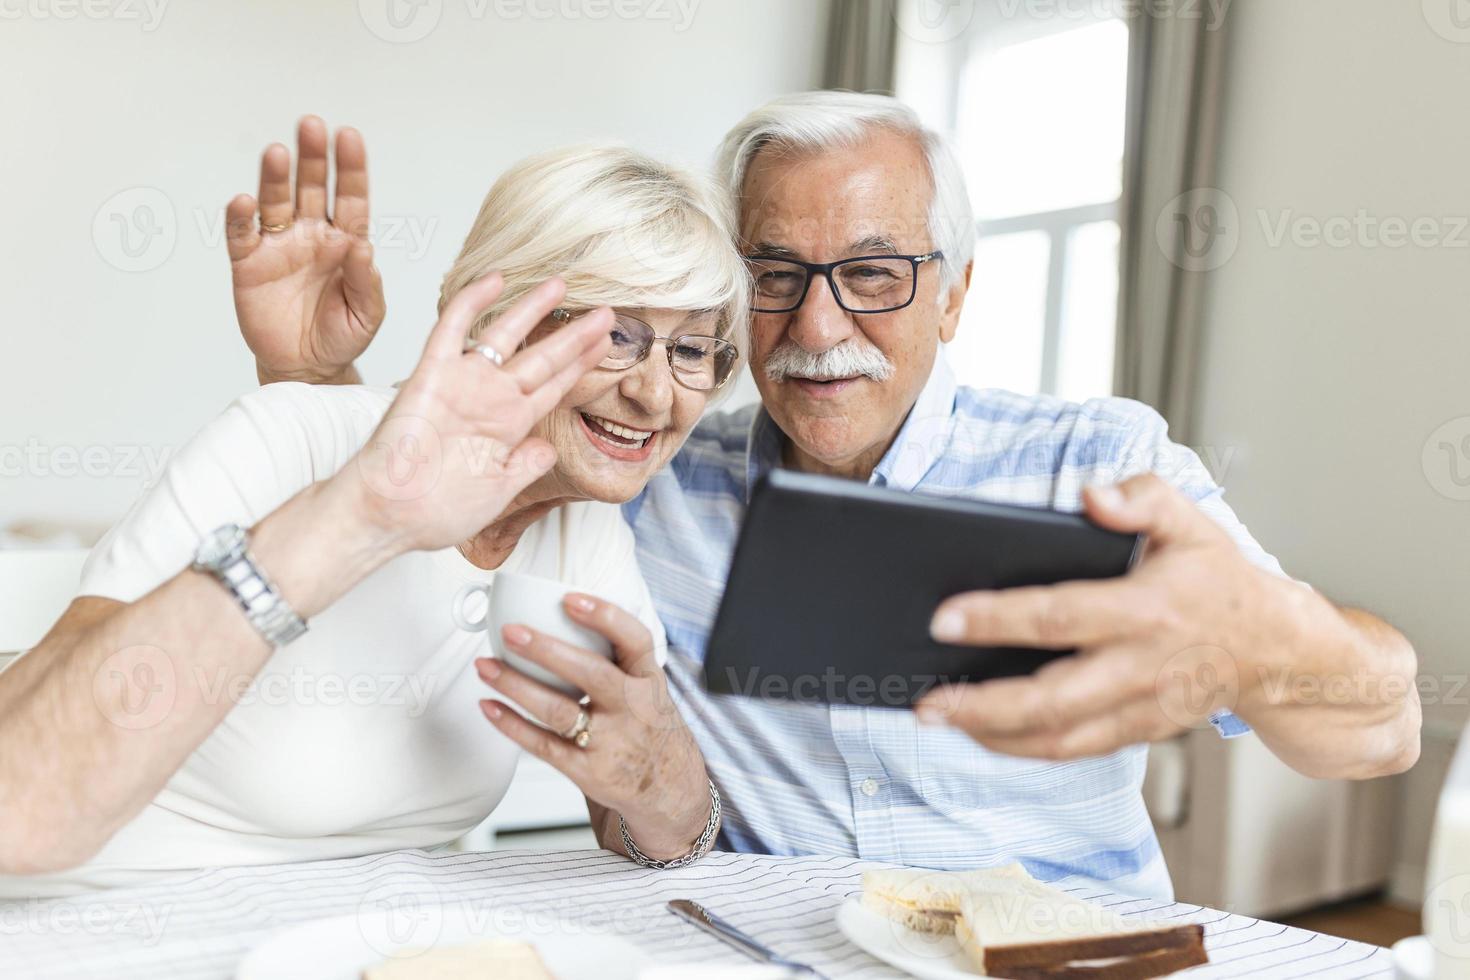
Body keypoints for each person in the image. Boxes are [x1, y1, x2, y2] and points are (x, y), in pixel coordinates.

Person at [243, 96, 1421, 901]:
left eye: (871, 275)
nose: (816, 329)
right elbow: (439, 497)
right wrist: (315, 382)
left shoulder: (1101, 466)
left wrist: (1261, 641)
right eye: (773, 277)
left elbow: (1383, 729)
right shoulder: (659, 474)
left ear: (951, 297)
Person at [0, 135, 747, 896]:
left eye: (693, 351)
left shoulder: (580, 529)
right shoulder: (287, 434)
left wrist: (663, 783)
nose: (656, 397)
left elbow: (638, 823)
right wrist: (364, 512)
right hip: (92, 925)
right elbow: (15, 802)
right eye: (618, 337)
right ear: (497, 313)